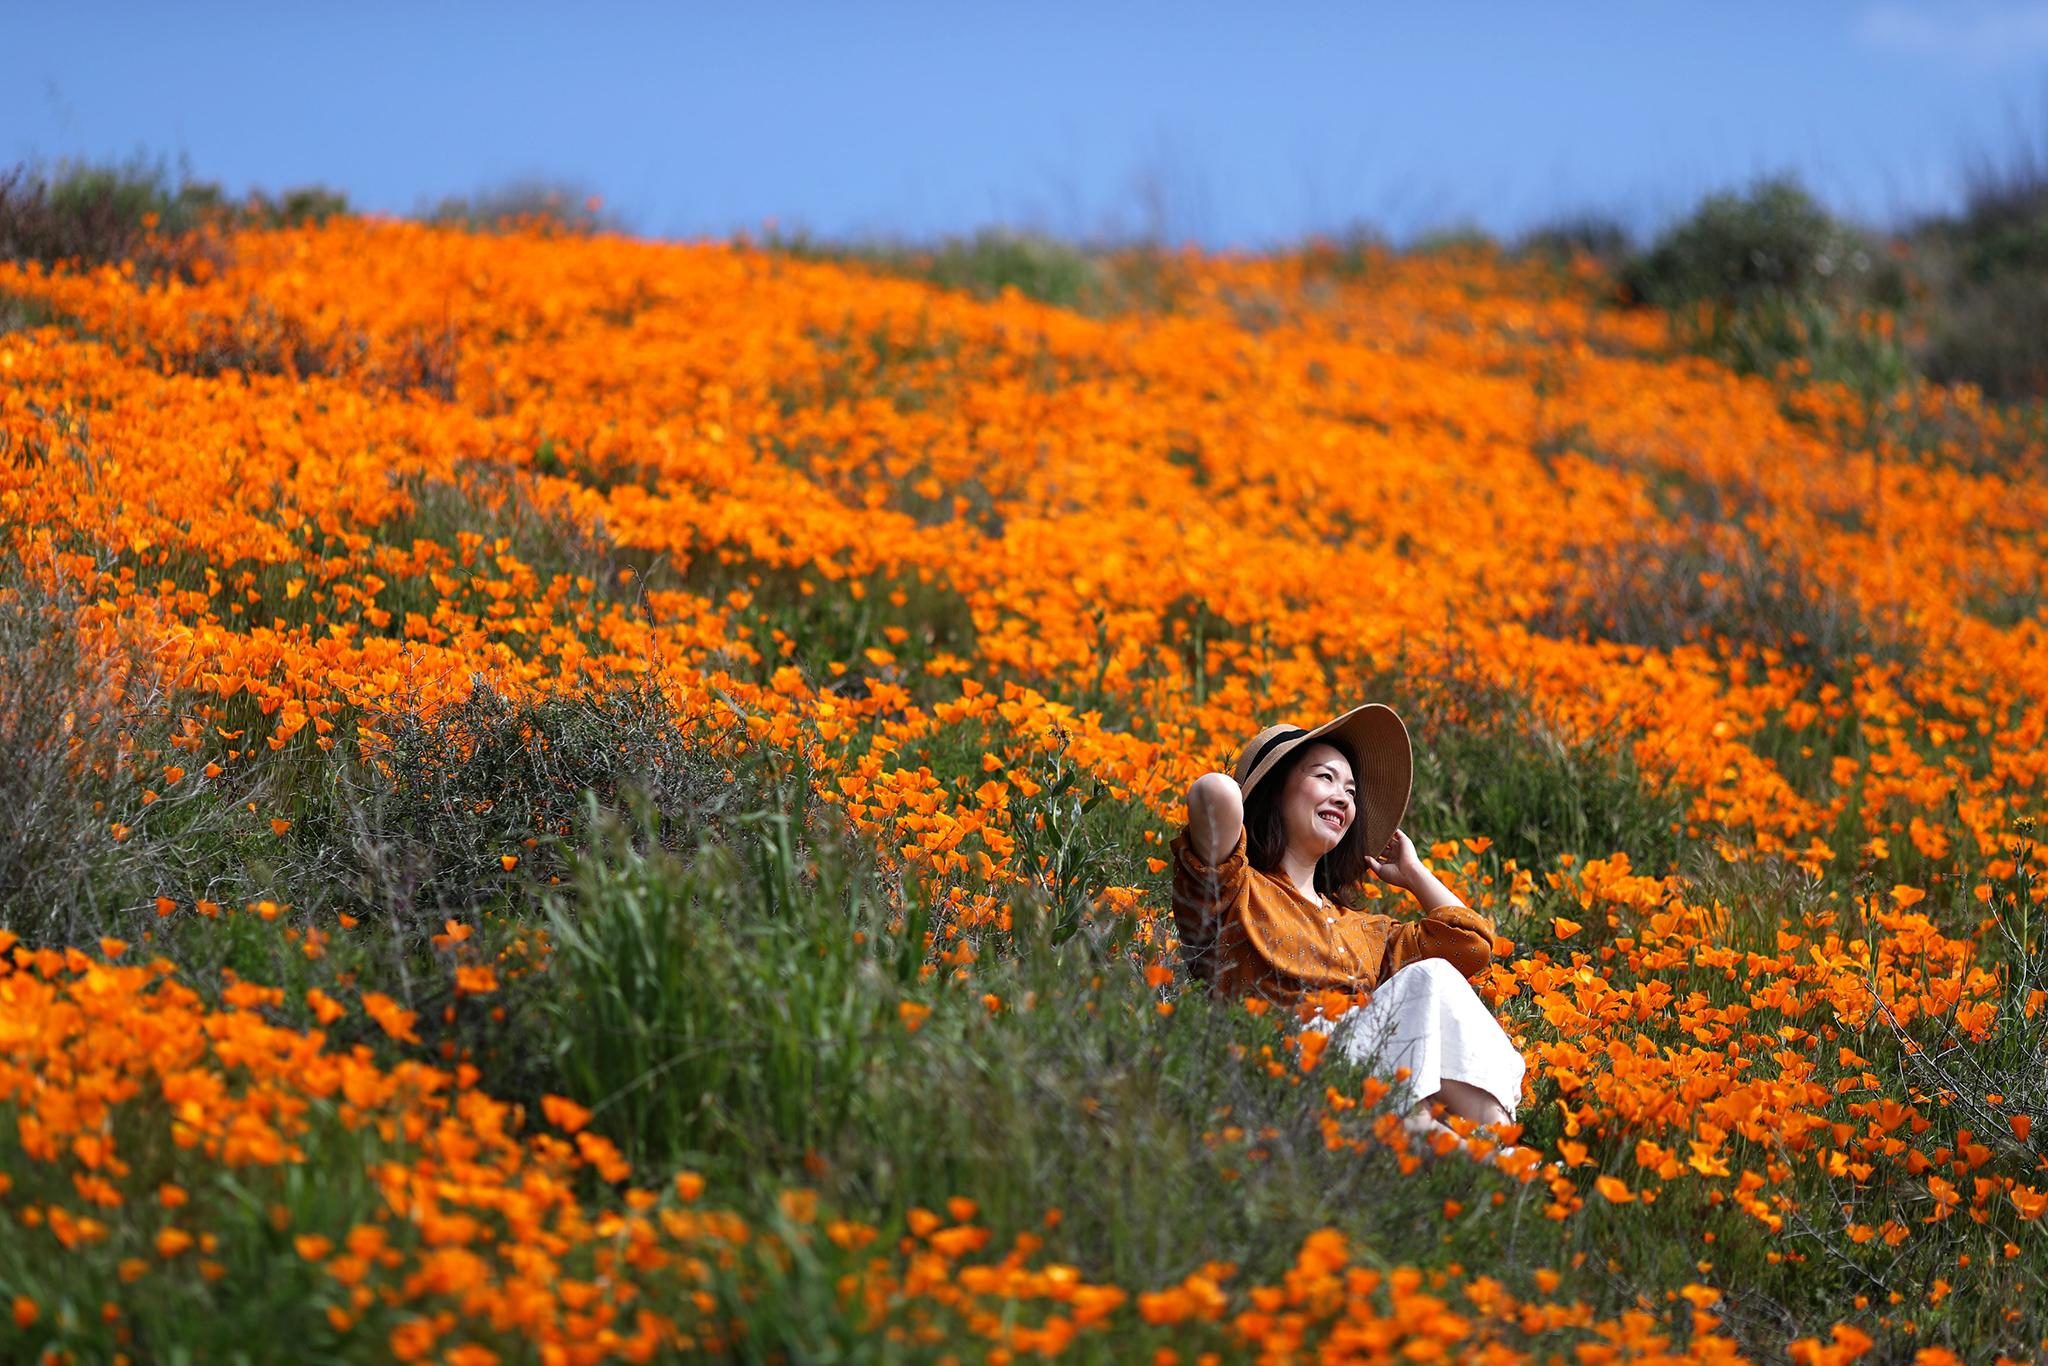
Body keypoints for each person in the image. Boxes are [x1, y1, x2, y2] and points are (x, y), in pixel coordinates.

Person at [1168, 702, 1525, 1149]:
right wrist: (1248, 786)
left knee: (1436, 977)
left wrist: (1414, 874)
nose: (1343, 796)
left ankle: (1499, 1147)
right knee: (1426, 981)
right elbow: (1213, 792)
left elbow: (1471, 945)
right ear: (1277, 790)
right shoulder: (1233, 889)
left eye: (1351, 791)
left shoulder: (1364, 929)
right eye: (1325, 777)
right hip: (1281, 1074)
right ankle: (1445, 1144)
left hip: (1369, 1078)